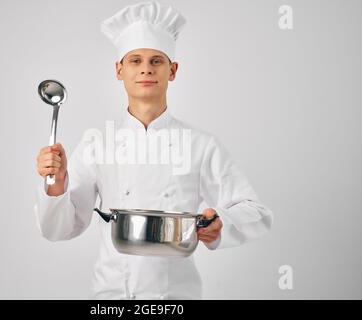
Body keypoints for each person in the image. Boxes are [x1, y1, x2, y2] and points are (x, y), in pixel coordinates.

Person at [34, 1, 273, 300]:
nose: (146, 68)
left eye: (156, 61)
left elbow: (257, 212)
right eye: (135, 60)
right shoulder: (98, 143)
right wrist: (56, 182)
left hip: (175, 299)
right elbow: (59, 230)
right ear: (119, 70)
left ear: (172, 70)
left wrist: (222, 222)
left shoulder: (200, 144)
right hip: (112, 300)